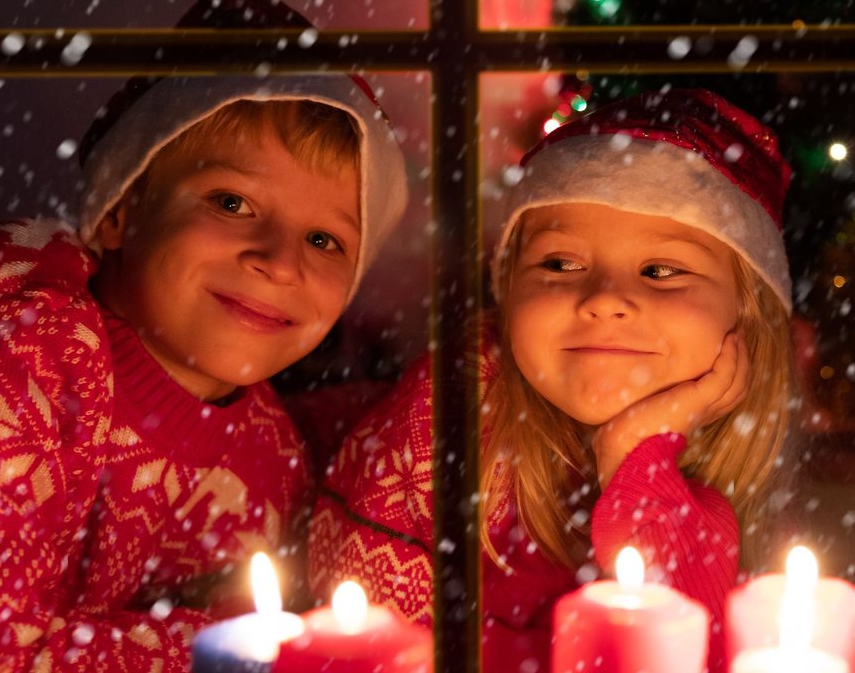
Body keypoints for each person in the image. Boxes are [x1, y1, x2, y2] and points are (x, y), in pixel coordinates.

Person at [0, 0, 408, 672]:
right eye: (232, 202)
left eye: (324, 241)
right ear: (120, 210)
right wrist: (223, 644)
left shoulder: (272, 459)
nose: (278, 261)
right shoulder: (14, 349)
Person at [310, 88, 795, 672]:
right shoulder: (455, 409)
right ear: (509, 289)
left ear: (746, 314)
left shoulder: (720, 490)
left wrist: (638, 456)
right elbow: (368, 644)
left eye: (661, 271)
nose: (605, 299)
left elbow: (688, 656)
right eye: (561, 264)